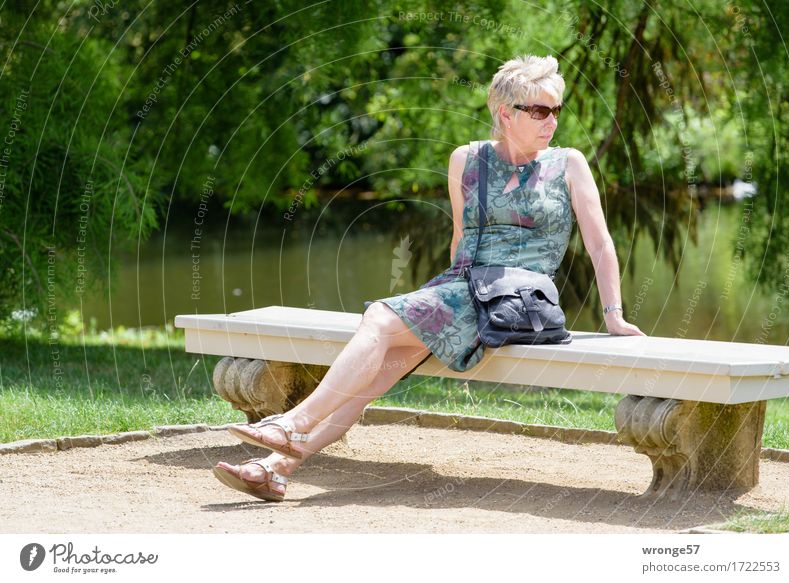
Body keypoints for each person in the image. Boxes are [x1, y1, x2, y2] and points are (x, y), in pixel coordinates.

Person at [213, 54, 646, 502]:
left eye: (555, 110)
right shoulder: (467, 159)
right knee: (375, 375)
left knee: (381, 318)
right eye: (539, 110)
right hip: (464, 290)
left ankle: (290, 424)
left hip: (515, 300)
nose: (550, 120)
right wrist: (438, 303)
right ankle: (276, 468)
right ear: (505, 112)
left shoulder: (568, 164)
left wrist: (613, 314)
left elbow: (600, 244)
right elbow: (462, 238)